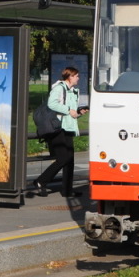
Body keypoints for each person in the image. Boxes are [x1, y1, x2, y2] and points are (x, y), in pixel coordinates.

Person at [31, 67, 87, 198]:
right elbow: (52, 104)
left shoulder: (74, 91)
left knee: (70, 160)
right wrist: (68, 110)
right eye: (76, 76)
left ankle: (67, 191)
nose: (78, 78)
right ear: (70, 77)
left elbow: (71, 113)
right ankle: (40, 181)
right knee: (63, 158)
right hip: (57, 127)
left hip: (69, 127)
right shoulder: (59, 88)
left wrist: (79, 112)